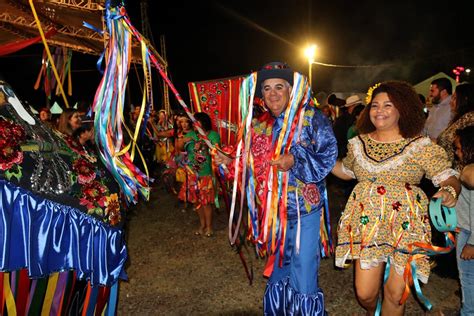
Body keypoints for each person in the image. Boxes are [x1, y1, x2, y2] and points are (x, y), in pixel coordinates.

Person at [214, 61, 337, 314]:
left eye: (279, 87)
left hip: (305, 209)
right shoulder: (258, 125)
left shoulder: (312, 118)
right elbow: (248, 165)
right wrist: (229, 161)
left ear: (291, 90)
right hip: (273, 213)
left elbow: (328, 155)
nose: (272, 93)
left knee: (303, 270)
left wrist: (296, 159)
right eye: (267, 88)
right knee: (281, 266)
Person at [331, 81, 460, 315]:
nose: (379, 110)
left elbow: (449, 178)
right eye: (375, 105)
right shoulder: (358, 143)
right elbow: (346, 171)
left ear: (402, 109)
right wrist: (318, 158)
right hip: (367, 224)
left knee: (395, 295)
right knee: (365, 293)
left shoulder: (419, 145)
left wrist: (449, 192)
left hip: (406, 226)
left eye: (388, 105)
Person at [177, 112, 220, 237]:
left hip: (205, 173)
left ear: (204, 122)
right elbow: (180, 148)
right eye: (193, 122)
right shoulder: (191, 134)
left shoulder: (213, 135)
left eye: (197, 121)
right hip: (192, 174)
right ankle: (202, 225)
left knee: (206, 202)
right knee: (196, 202)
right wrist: (183, 140)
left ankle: (209, 226)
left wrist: (205, 144)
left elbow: (217, 150)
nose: (195, 124)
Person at [454, 126, 474, 316]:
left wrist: (471, 243)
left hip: (470, 234)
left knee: (468, 278)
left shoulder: (470, 173)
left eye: (459, 148)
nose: (456, 152)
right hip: (468, 231)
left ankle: (468, 312)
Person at [437, 83, 474, 170]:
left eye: (454, 98)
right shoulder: (459, 117)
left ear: (465, 99)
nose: (451, 102)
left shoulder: (470, 118)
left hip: (460, 172)